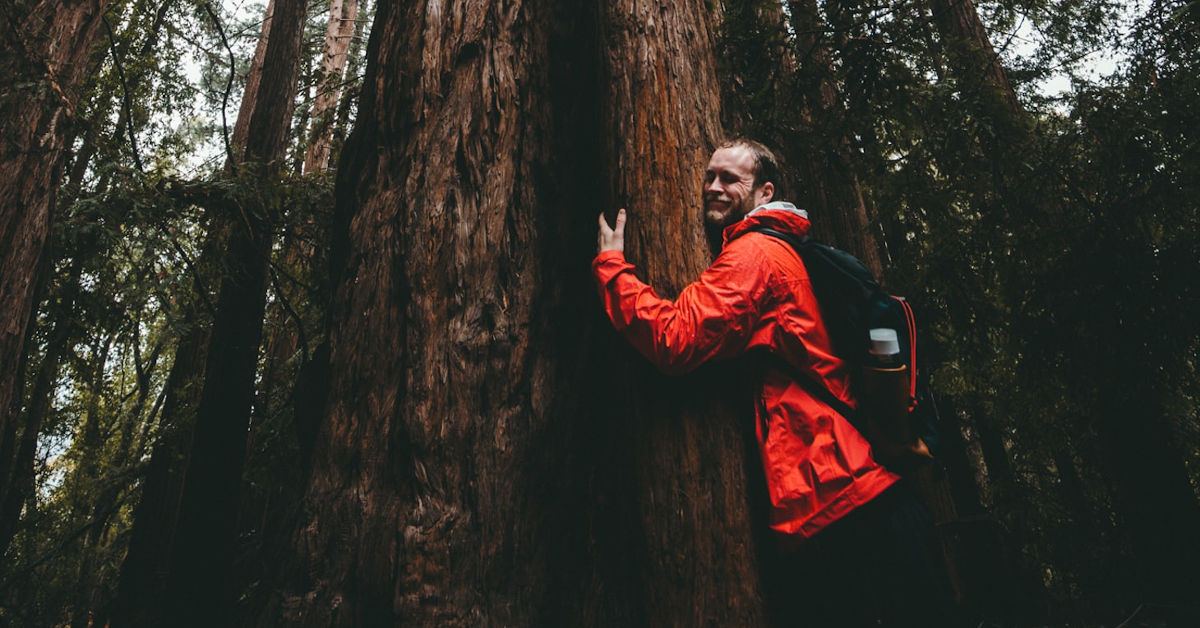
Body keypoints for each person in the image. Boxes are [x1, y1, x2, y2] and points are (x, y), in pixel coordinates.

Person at [593, 139, 957, 627]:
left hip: (844, 505)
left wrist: (613, 268)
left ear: (764, 193)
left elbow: (675, 339)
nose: (714, 188)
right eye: (710, 176)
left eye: (731, 179)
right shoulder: (785, 249)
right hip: (861, 495)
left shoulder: (756, 255)